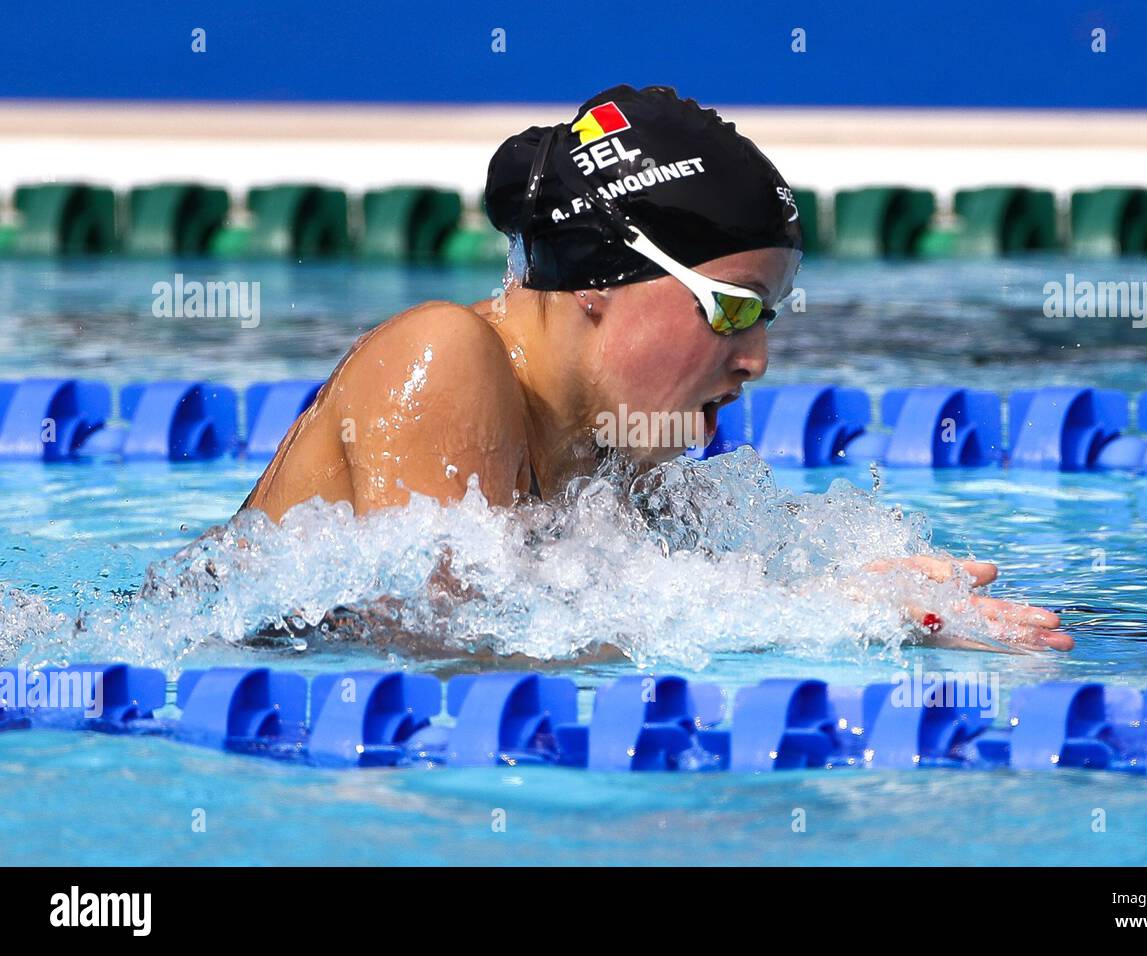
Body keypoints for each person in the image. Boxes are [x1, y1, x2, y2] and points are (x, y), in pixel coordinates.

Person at [238, 83, 1072, 652]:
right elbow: (430, 653)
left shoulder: (615, 452)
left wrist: (859, 600)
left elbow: (665, 609)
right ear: (605, 278)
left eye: (768, 318)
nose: (757, 359)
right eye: (732, 308)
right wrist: (806, 623)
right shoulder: (441, 354)